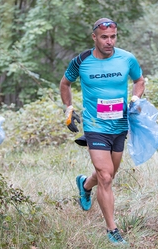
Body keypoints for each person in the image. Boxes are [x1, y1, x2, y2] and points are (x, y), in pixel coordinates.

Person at [59, 18, 145, 245]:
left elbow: (139, 80)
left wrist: (135, 98)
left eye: (113, 37)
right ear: (94, 37)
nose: (109, 42)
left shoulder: (127, 58)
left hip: (119, 124)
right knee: (106, 177)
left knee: (109, 174)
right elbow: (65, 83)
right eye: (104, 37)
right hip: (95, 126)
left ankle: (85, 184)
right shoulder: (81, 61)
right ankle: (112, 229)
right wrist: (69, 107)